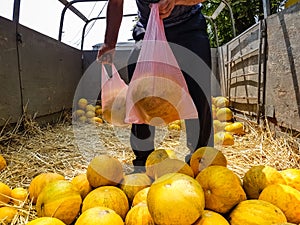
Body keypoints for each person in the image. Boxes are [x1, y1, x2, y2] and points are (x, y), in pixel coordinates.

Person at [97, 0, 213, 172]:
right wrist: (109, 43)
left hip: (188, 26)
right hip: (148, 28)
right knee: (140, 91)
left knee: (199, 87)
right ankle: (143, 161)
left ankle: (200, 157)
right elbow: (115, 2)